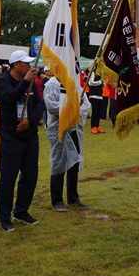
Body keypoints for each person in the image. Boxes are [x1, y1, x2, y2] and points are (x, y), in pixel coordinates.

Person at [0, 50, 44, 232]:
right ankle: (4, 216)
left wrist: (30, 121)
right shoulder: (3, 81)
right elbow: (8, 100)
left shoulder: (31, 81)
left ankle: (21, 211)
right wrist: (24, 82)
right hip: (11, 137)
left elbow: (40, 104)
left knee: (30, 176)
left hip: (30, 136)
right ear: (16, 65)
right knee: (8, 178)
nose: (30, 66)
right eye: (26, 63)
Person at [44, 76, 92, 212]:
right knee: (58, 163)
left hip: (73, 129)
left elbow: (86, 104)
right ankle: (57, 200)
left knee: (74, 163)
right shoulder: (51, 85)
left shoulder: (74, 84)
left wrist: (76, 112)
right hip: (58, 129)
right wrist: (73, 106)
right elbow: (52, 107)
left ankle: (73, 197)